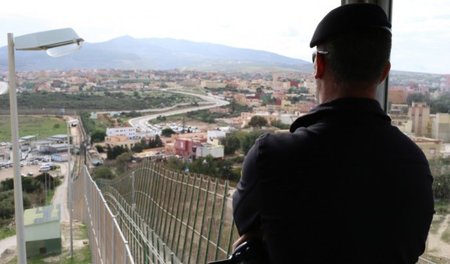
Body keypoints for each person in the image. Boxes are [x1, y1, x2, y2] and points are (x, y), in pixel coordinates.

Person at [232, 3, 435, 264]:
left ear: (319, 65)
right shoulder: (416, 165)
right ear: (384, 72)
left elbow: (245, 228)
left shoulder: (271, 157)